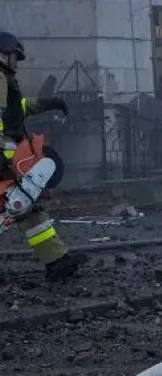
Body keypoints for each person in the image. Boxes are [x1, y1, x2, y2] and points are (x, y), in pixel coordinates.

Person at [0, 32, 79, 280]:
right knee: (21, 204)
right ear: (2, 54)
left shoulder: (6, 80)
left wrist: (48, 102)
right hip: (3, 158)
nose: (16, 62)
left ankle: (57, 261)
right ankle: (57, 261)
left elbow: (17, 108)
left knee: (24, 205)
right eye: (14, 57)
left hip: (7, 157)